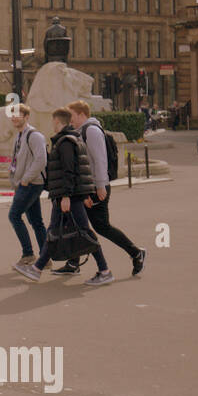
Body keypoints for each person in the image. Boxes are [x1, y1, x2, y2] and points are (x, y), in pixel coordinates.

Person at [14, 108, 113, 286]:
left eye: (53, 122)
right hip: (68, 195)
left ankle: (104, 270)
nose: (52, 125)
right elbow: (81, 170)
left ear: (58, 122)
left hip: (68, 196)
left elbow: (69, 171)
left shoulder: (65, 142)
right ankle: (37, 269)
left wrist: (67, 196)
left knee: (84, 232)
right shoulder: (72, 138)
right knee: (54, 231)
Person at [54, 102, 146, 277]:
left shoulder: (92, 131)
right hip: (89, 187)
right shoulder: (83, 131)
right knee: (78, 223)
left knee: (100, 226)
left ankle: (135, 253)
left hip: (96, 187)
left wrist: (100, 186)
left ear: (81, 114)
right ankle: (74, 263)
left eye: (72, 115)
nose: (70, 119)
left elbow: (99, 160)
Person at [7, 103, 48, 267]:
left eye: (18, 114)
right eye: (12, 115)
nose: (14, 118)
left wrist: (25, 179)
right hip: (25, 183)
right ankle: (46, 258)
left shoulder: (34, 135)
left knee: (14, 216)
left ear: (26, 117)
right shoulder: (19, 136)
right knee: (36, 221)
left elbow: (41, 160)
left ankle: (28, 254)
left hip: (31, 183)